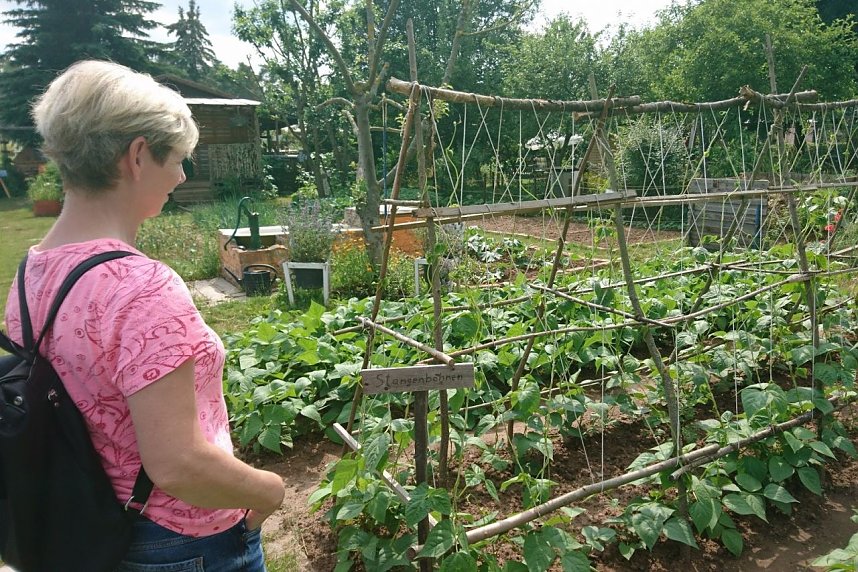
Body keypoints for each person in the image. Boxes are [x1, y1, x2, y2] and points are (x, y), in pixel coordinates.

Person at [3, 60, 285, 571]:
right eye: (178, 160)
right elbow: (178, 463)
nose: (180, 176)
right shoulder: (141, 287)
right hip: (179, 541)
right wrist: (268, 490)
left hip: (89, 524)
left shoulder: (33, 271)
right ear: (137, 156)